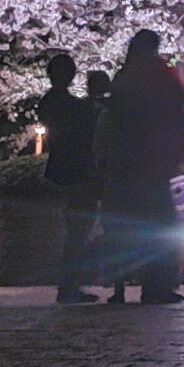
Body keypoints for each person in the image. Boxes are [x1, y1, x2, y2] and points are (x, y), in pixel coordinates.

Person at [100, 30, 184, 304]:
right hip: (153, 161)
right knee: (160, 225)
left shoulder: (123, 76)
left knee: (123, 226)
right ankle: (157, 285)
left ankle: (118, 286)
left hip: (123, 162)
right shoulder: (161, 73)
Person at [37, 52, 103, 303]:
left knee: (76, 228)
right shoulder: (73, 106)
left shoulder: (47, 102)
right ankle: (68, 286)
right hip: (78, 169)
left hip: (62, 167)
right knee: (79, 229)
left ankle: (69, 284)